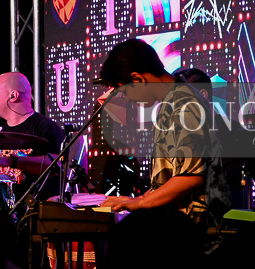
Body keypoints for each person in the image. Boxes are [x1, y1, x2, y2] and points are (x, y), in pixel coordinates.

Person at [96, 39, 230, 226]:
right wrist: (140, 199)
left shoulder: (182, 104)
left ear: (138, 79)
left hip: (195, 231)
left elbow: (191, 178)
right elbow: (173, 177)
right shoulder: (174, 102)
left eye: (124, 92)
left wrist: (139, 203)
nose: (127, 99)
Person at [0, 71, 65, 197]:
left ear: (13, 95)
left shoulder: (45, 127)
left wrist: (13, 161)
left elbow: (58, 166)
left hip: (33, 205)